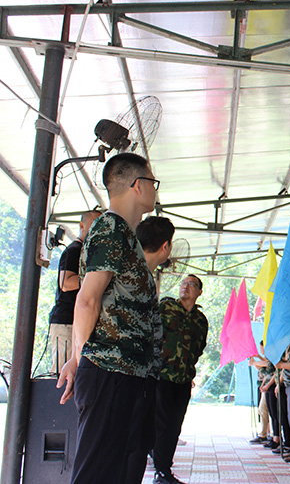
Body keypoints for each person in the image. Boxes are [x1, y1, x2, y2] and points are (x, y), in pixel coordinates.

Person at [56, 152, 160, 484]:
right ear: (138, 185)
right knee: (97, 471)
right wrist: (79, 358)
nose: (155, 190)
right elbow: (87, 300)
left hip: (127, 372)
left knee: (117, 468)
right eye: (153, 182)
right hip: (108, 369)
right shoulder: (110, 228)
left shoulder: (126, 235)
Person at [125, 215, 174, 484]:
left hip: (141, 376)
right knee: (133, 445)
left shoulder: (138, 272)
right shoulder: (137, 275)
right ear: (165, 246)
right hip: (134, 376)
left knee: (139, 443)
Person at [150, 273, 207, 484]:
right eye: (183, 284)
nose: (185, 287)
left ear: (199, 292)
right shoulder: (166, 308)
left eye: (191, 284)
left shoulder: (200, 320)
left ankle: (162, 465)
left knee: (174, 425)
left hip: (183, 379)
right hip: (161, 375)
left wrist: (186, 365)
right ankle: (161, 470)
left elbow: (199, 348)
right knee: (162, 422)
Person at [48, 209, 102, 374]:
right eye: (94, 224)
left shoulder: (87, 252)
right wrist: (93, 279)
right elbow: (66, 283)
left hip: (77, 321)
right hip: (66, 321)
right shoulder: (75, 250)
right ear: (82, 225)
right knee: (62, 372)